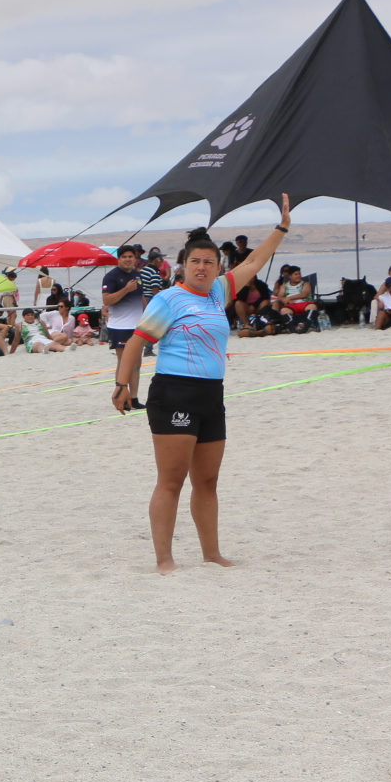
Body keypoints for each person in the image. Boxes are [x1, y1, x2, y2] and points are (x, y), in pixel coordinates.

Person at [112, 197, 291, 574]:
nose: (202, 267)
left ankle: (212, 554)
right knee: (172, 481)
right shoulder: (169, 299)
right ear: (183, 265)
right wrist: (122, 385)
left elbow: (254, 263)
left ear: (218, 268)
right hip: (174, 393)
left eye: (209, 262)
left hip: (211, 395)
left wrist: (282, 228)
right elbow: (136, 342)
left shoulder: (218, 292)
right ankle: (164, 560)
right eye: (195, 261)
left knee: (207, 481)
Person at [102, 245, 146, 354]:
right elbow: (106, 300)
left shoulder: (137, 275)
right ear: (119, 259)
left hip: (137, 326)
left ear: (135, 258)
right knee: (124, 361)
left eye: (130, 256)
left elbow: (141, 296)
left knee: (136, 360)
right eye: (124, 257)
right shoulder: (111, 276)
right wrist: (126, 289)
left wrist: (148, 315)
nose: (127, 259)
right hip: (120, 326)